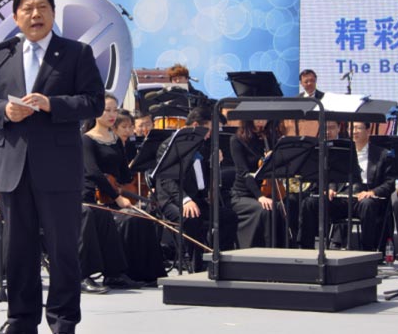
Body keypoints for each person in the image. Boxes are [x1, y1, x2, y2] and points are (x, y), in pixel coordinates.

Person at [0, 0, 105, 334]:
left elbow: (94, 102)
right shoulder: (1, 54)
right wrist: (4, 110)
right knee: (18, 250)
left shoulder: (76, 52)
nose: (36, 14)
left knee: (63, 250)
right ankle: (21, 320)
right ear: (16, 17)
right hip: (13, 167)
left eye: (43, 7)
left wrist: (53, 104)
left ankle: (63, 321)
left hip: (59, 168)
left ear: (52, 13)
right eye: (28, 8)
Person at [81, 93, 163, 290]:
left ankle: (139, 273)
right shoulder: (86, 139)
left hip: (110, 194)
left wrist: (144, 161)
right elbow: (93, 172)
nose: (111, 114)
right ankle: (100, 273)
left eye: (114, 110)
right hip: (90, 195)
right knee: (120, 218)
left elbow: (124, 175)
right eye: (106, 110)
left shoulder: (115, 139)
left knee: (142, 218)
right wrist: (118, 197)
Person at [155, 106, 237, 272]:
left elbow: (204, 177)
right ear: (195, 125)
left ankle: (220, 260)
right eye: (208, 129)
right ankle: (196, 265)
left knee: (228, 216)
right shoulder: (170, 145)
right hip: (173, 198)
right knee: (192, 217)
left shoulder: (203, 145)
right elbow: (167, 180)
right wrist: (185, 200)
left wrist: (215, 164)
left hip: (198, 198)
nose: (210, 134)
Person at [300, 122, 393, 251]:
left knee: (367, 205)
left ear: (368, 130)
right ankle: (306, 248)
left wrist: (372, 192)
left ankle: (368, 251)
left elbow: (390, 183)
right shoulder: (342, 151)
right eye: (351, 128)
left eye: (358, 128)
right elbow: (332, 174)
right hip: (341, 197)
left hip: (363, 198)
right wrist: (330, 188)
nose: (354, 131)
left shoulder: (381, 154)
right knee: (309, 203)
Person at [229, 119, 287, 248]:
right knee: (265, 210)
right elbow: (244, 173)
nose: (261, 122)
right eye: (257, 118)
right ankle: (264, 250)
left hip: (269, 190)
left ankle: (284, 250)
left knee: (286, 205)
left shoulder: (271, 139)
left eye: (264, 119)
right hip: (244, 194)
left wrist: (275, 159)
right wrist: (259, 196)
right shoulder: (237, 140)